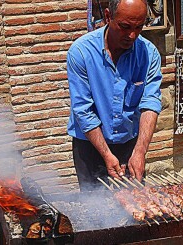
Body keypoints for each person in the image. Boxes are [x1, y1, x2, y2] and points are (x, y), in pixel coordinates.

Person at [67, 0, 162, 191]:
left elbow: (150, 103)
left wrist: (140, 152)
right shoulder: (81, 52)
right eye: (125, 27)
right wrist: (106, 154)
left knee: (134, 207)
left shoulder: (149, 54)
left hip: (129, 144)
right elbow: (83, 110)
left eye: (139, 27)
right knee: (95, 209)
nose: (132, 35)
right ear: (109, 17)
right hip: (90, 145)